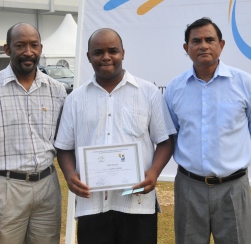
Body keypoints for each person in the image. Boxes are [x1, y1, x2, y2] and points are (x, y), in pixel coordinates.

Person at [54, 28, 176, 244]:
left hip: (137, 204)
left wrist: (154, 172)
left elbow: (165, 141)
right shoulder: (75, 99)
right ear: (89, 57)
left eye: (113, 50)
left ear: (123, 53)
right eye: (98, 52)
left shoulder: (148, 93)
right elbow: (64, 146)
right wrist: (70, 174)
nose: (106, 57)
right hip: (91, 205)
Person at [164, 17, 251, 244]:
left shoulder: (245, 83)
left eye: (209, 39)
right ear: (186, 48)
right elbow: (171, 134)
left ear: (221, 45)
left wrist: (233, 160)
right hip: (189, 188)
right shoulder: (175, 88)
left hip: (233, 188)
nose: (203, 45)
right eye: (196, 41)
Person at [0, 23, 66, 244]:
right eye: (20, 45)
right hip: (5, 189)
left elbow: (65, 144)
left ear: (41, 48)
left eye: (34, 45)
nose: (28, 52)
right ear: (7, 49)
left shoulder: (57, 90)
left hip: (47, 187)